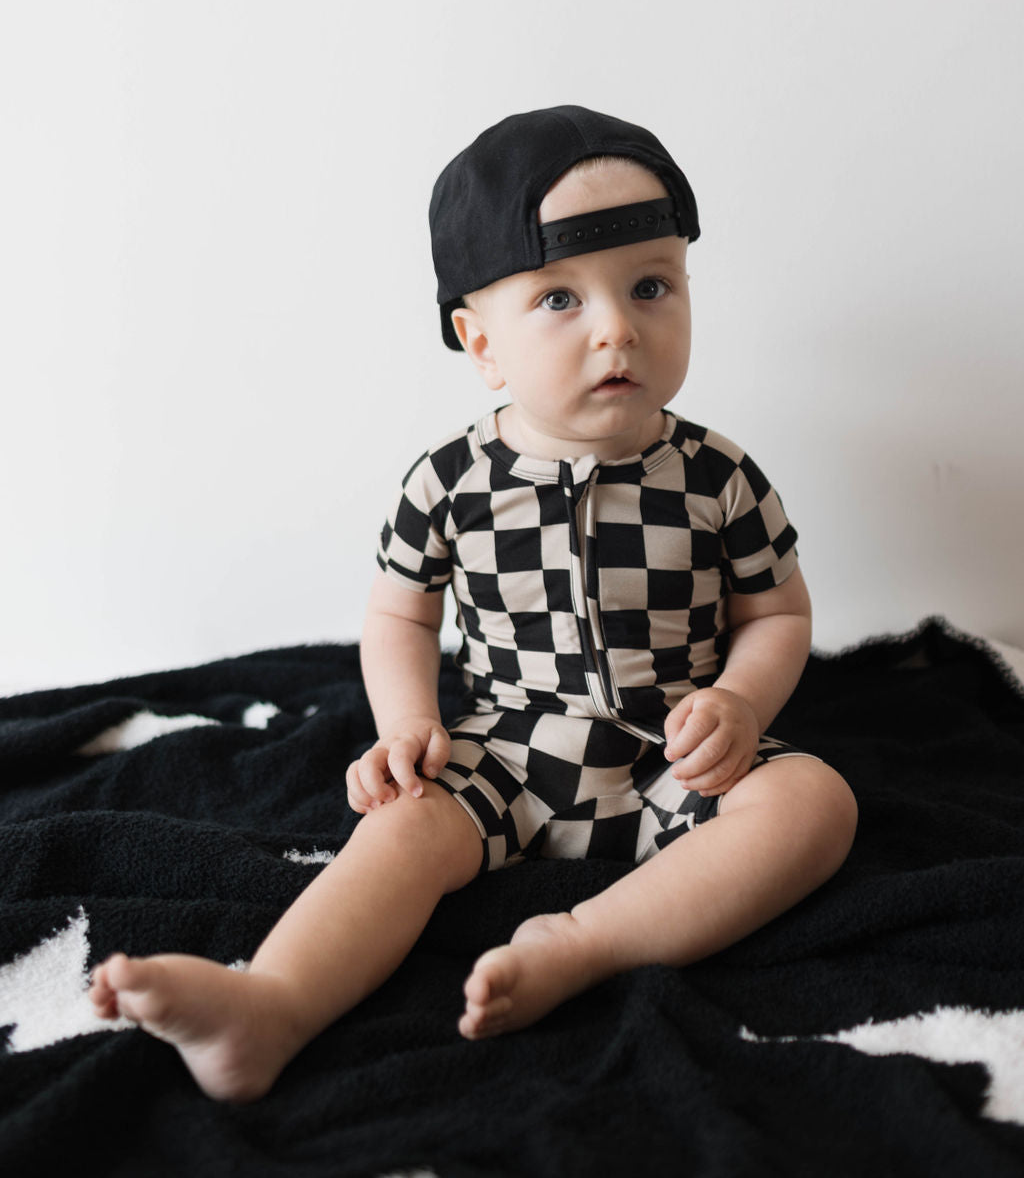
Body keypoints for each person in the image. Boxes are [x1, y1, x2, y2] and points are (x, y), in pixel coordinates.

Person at [90, 104, 858, 1101]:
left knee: (813, 804)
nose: (617, 325)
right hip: (508, 754)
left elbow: (776, 614)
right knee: (402, 825)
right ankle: (268, 1003)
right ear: (479, 340)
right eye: (557, 299)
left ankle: (582, 943)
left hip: (673, 752)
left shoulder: (717, 475)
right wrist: (409, 723)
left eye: (651, 284)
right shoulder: (449, 481)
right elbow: (401, 614)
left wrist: (742, 706)